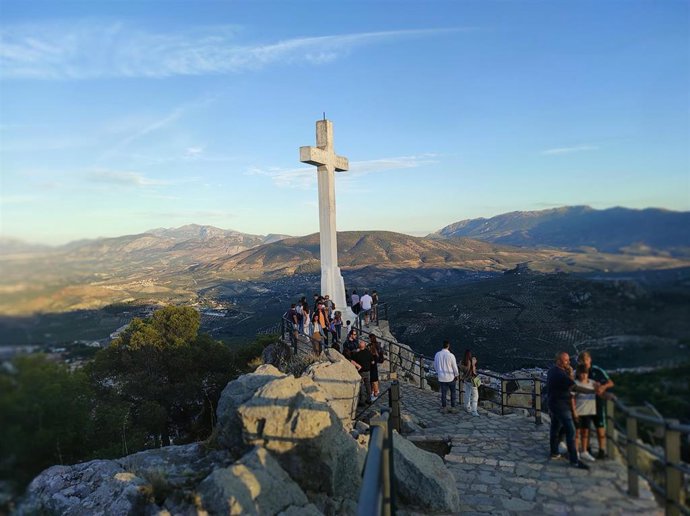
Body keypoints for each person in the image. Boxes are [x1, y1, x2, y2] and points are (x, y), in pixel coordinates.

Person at [546, 351, 590, 469]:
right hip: (562, 407)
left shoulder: (551, 371)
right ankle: (574, 460)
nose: (569, 362)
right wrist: (593, 391)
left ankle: (554, 452)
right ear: (559, 361)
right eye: (566, 361)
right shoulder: (561, 375)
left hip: (552, 404)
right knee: (571, 432)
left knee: (554, 429)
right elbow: (575, 386)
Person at [578, 351, 614, 459]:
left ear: (590, 360)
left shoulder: (597, 370)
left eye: (586, 360)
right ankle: (587, 449)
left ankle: (602, 451)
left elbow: (610, 382)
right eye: (582, 360)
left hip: (598, 402)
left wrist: (603, 387)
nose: (585, 362)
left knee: (600, 427)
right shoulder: (578, 371)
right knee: (585, 429)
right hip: (584, 404)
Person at [574, 364, 597, 462]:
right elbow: (572, 399)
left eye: (585, 373)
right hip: (578, 412)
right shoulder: (575, 383)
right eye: (582, 373)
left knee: (585, 433)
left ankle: (584, 451)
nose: (584, 375)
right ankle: (576, 452)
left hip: (588, 411)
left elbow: (600, 391)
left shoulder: (593, 383)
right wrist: (574, 411)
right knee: (577, 433)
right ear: (578, 374)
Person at [434, 340, 459, 413]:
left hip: (441, 377)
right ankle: (453, 407)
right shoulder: (451, 355)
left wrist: (438, 372)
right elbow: (454, 367)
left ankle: (444, 407)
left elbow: (435, 366)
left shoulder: (437, 354)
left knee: (443, 393)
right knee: (453, 392)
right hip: (451, 377)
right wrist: (457, 375)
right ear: (448, 346)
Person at [350, 340, 373, 405]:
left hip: (360, 372)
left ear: (359, 347)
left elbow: (352, 361)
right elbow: (372, 361)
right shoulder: (369, 353)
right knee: (368, 386)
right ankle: (369, 399)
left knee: (361, 386)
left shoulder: (357, 354)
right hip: (367, 371)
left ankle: (362, 401)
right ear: (365, 346)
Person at [460, 349, 479, 416]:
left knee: (467, 393)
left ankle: (467, 407)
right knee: (475, 396)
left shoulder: (462, 362)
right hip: (472, 380)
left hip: (466, 380)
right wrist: (474, 364)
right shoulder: (471, 361)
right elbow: (473, 372)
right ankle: (474, 411)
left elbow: (462, 369)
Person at [369, 335, 384, 400]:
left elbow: (373, 354)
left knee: (373, 378)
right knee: (375, 378)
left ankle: (375, 392)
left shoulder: (372, 346)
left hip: (373, 363)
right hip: (377, 362)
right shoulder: (378, 345)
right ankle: (375, 390)